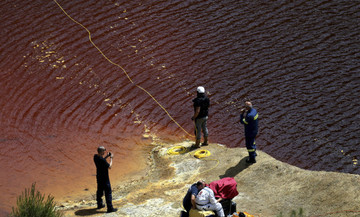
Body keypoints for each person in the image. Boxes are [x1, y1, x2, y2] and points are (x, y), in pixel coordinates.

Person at [93, 146, 117, 213]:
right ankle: (110, 208)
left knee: (99, 191)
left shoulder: (95, 157)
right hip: (105, 178)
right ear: (101, 152)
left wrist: (106, 156)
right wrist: (111, 158)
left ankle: (99, 204)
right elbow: (109, 167)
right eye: (104, 150)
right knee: (108, 193)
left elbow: (102, 160)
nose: (105, 151)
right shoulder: (102, 160)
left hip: (99, 177)